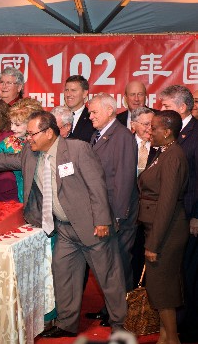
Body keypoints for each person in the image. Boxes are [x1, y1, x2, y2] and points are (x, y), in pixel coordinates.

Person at [0, 111, 127, 337]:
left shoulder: (77, 149)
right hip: (64, 229)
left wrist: (102, 220)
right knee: (63, 275)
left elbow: (97, 186)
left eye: (32, 134)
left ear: (49, 133)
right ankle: (67, 324)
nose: (28, 138)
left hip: (92, 226)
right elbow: (3, 159)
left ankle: (120, 324)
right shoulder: (31, 154)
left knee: (108, 276)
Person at [86, 93, 138, 326]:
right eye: (89, 112)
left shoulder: (122, 137)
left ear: (110, 111)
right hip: (103, 211)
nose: (90, 116)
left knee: (119, 264)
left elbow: (125, 179)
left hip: (119, 214)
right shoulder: (98, 135)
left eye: (94, 112)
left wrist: (117, 215)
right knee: (108, 263)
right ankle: (109, 308)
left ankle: (122, 314)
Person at [137, 110, 189, 344]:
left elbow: (167, 203)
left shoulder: (173, 156)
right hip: (159, 229)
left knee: (162, 288)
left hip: (166, 232)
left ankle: (172, 340)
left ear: (167, 132)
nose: (150, 131)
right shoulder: (163, 153)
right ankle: (165, 337)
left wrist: (154, 244)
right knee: (161, 286)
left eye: (154, 128)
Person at [159, 85, 198, 343]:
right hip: (171, 216)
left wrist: (196, 215)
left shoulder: (195, 134)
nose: (160, 111)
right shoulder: (171, 134)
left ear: (182, 108)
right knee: (176, 271)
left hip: (189, 214)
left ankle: (191, 325)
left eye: (166, 106)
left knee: (190, 271)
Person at [129, 107, 156, 289]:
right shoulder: (124, 144)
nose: (149, 129)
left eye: (153, 125)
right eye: (146, 124)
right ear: (133, 125)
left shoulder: (161, 147)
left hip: (153, 214)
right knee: (129, 259)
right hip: (129, 213)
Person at [63, 75, 95, 142]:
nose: (68, 94)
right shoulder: (56, 117)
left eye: (73, 90)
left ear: (84, 93)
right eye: (66, 90)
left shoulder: (92, 119)